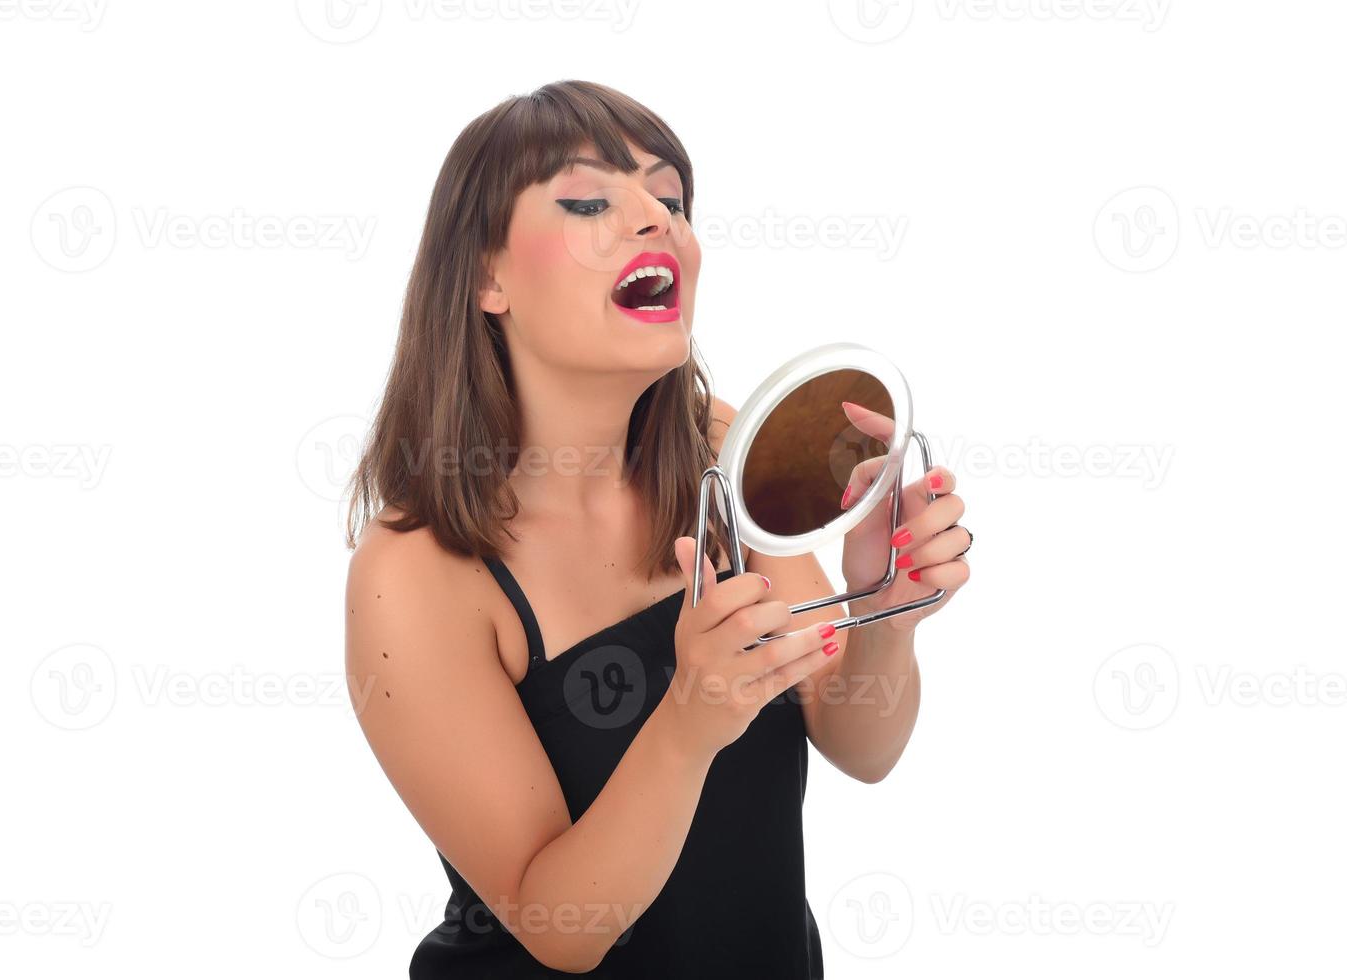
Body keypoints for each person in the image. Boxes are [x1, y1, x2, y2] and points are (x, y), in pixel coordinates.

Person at [343, 79, 971, 977]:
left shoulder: (719, 445)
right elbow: (562, 927)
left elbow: (858, 742)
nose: (656, 221)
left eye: (671, 199)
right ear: (486, 275)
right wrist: (689, 719)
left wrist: (887, 610)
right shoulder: (415, 570)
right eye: (590, 199)